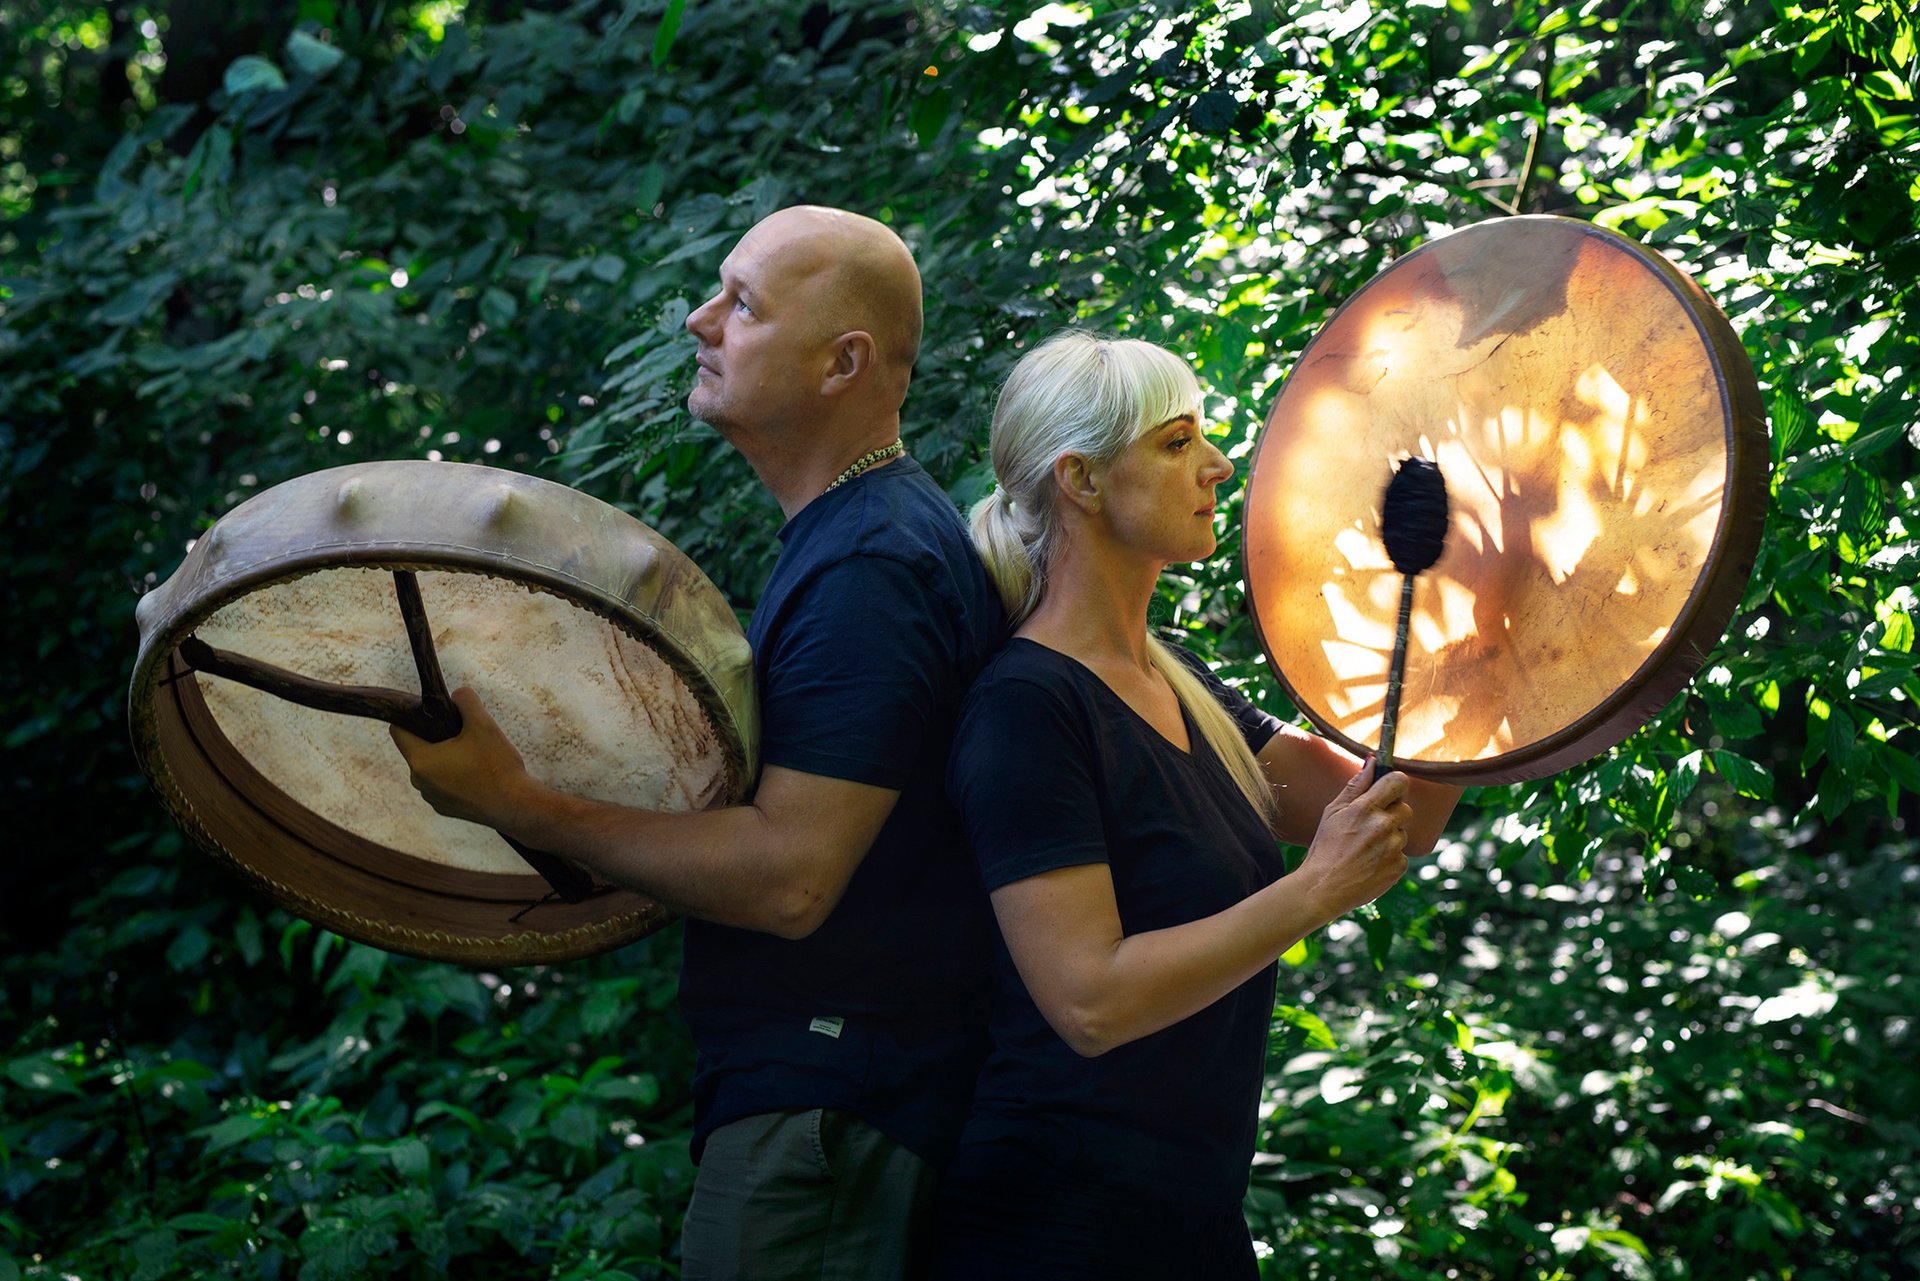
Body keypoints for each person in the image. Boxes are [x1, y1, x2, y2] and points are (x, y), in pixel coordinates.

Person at [390, 206, 1007, 1280]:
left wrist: (517, 801)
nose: (699, 318)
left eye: (743, 303)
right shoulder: (866, 536)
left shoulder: (872, 564)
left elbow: (789, 879)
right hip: (829, 1098)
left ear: (841, 363)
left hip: (827, 1105)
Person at [931, 330, 1463, 1278]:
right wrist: (1312, 893)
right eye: (1178, 443)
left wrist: (1481, 632)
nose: (1218, 464)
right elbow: (1090, 999)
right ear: (1081, 482)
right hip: (1057, 1225)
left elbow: (1401, 815)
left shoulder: (1185, 689)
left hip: (1194, 1218)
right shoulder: (1027, 707)